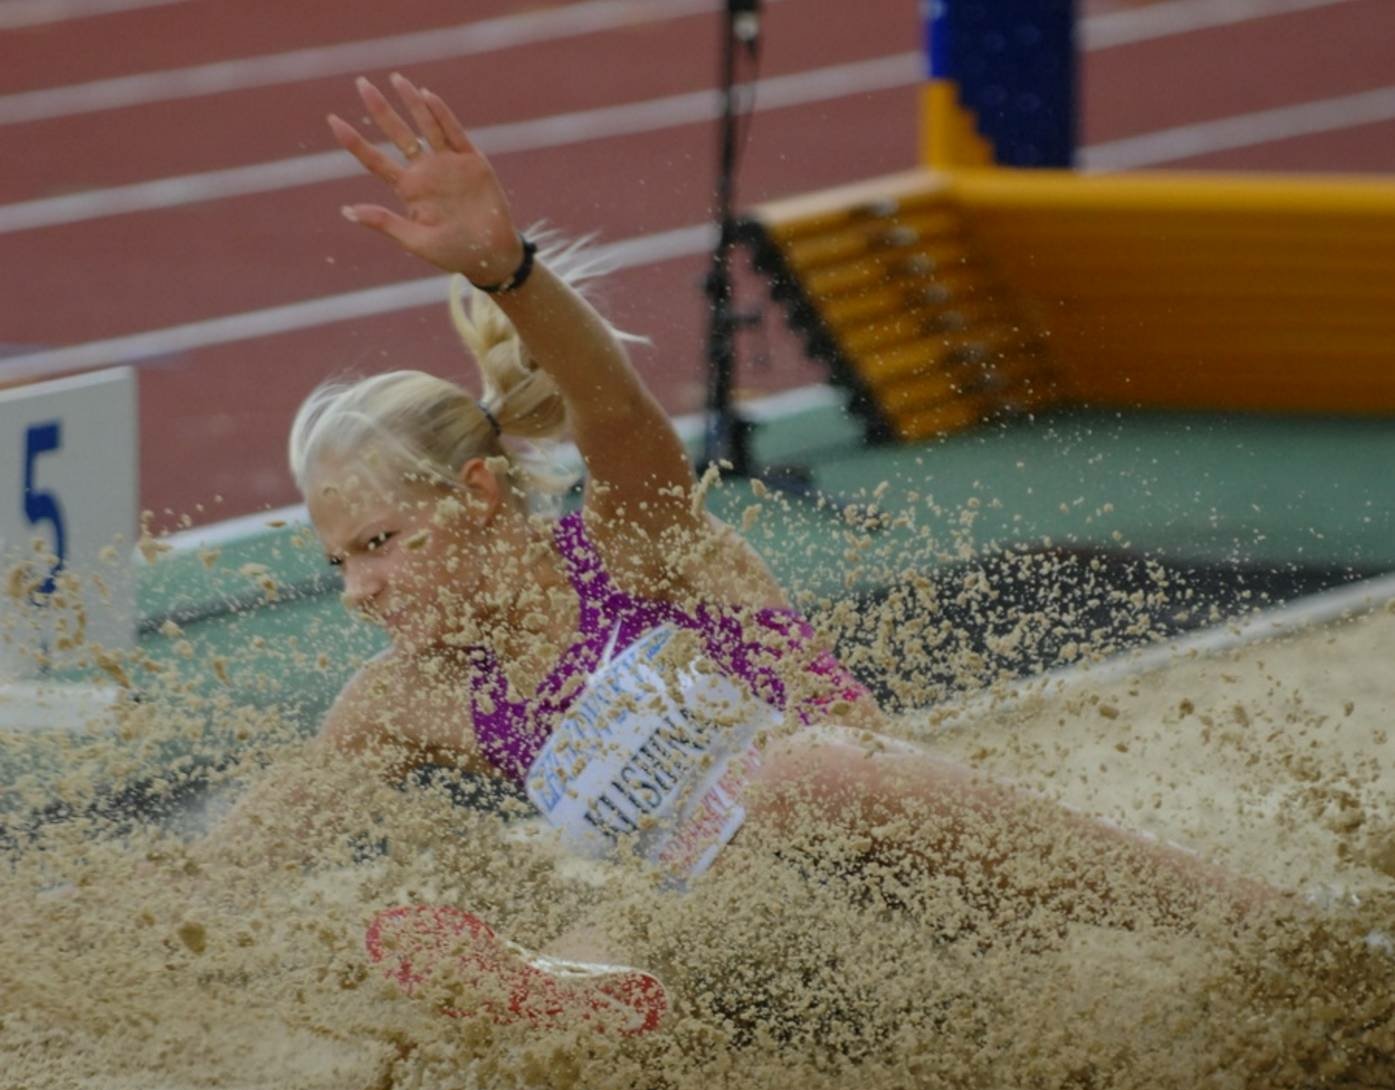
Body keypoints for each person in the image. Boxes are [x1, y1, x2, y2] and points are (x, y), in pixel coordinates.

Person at [218, 75, 1314, 1033]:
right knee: (641, 898)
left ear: (477, 496)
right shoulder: (405, 700)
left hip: (913, 890)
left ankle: (1293, 942)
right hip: (750, 961)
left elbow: (622, 420)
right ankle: (572, 996)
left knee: (792, 769)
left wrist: (513, 274)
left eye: (378, 545)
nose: (359, 592)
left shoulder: (631, 550)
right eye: (339, 565)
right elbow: (229, 868)